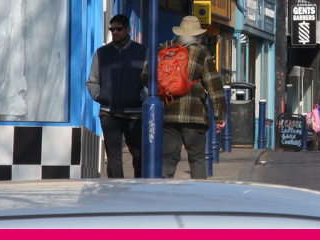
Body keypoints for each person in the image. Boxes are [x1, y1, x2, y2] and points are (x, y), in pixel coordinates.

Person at [142, 16, 227, 178]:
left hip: (167, 112)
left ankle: (165, 193)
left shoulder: (164, 49)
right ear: (197, 35)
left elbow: (145, 77)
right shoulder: (201, 52)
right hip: (194, 115)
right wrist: (220, 115)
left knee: (168, 157)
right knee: (197, 157)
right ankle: (198, 195)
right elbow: (214, 85)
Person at [87, 14, 148, 178]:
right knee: (114, 156)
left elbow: (149, 81)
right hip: (109, 113)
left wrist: (142, 97)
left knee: (139, 155)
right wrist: (100, 96)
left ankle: (139, 188)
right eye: (112, 29)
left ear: (128, 29)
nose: (115, 32)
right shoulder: (102, 53)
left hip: (135, 114)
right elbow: (92, 81)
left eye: (118, 29)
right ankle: (115, 190)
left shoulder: (142, 52)